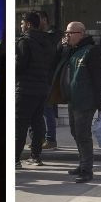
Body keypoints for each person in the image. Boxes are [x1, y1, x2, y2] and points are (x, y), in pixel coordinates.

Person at [51, 21, 101, 183]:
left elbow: (99, 79)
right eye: (66, 33)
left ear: (81, 34)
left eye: (70, 33)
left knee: (83, 135)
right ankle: (82, 163)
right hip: (73, 99)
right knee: (75, 132)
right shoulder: (71, 50)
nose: (66, 36)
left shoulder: (91, 51)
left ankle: (87, 169)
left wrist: (100, 105)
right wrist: (61, 46)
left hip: (85, 101)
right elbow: (53, 62)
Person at [16, 11, 57, 168]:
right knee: (37, 122)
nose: (20, 26)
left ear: (27, 24)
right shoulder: (46, 41)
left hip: (26, 88)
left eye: (21, 23)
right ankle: (36, 156)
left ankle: (15, 159)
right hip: (42, 88)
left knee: (20, 125)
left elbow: (20, 66)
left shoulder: (24, 42)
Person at [39, 11, 61, 149]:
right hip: (44, 77)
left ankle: (50, 139)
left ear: (45, 20)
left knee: (47, 110)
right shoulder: (45, 36)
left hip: (49, 78)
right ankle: (42, 138)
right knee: (42, 110)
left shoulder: (53, 36)